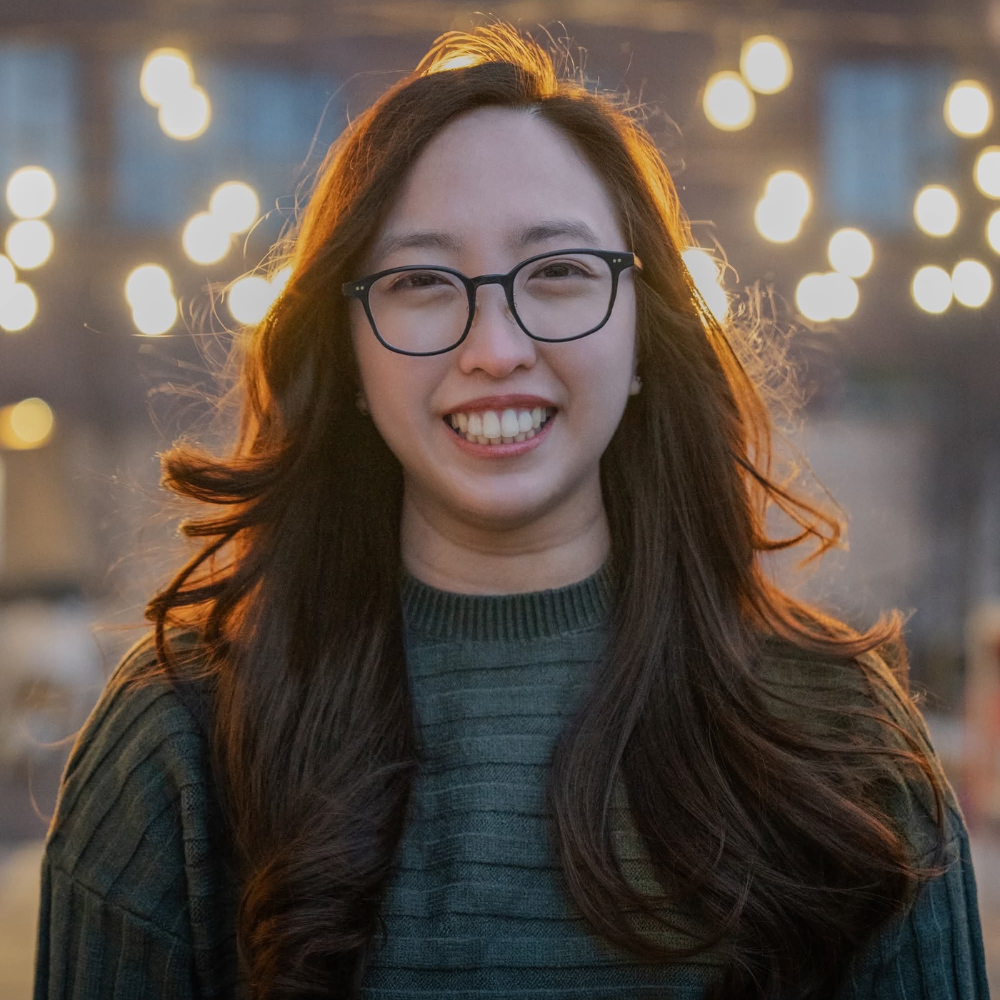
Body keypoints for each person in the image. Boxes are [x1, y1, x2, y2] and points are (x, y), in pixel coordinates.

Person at [33, 20, 990, 1000]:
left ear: (643, 338)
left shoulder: (843, 745)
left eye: (559, 272)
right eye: (419, 282)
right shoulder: (178, 745)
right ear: (352, 353)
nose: (493, 346)